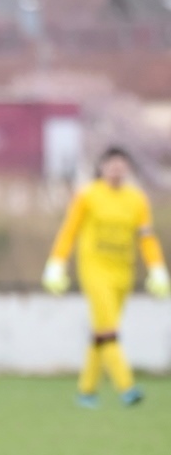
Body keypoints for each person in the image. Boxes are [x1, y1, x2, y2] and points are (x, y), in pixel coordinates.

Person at [42, 146, 169, 407]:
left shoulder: (136, 199)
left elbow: (146, 237)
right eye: (112, 165)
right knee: (109, 330)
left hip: (123, 272)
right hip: (95, 270)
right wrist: (56, 263)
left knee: (102, 331)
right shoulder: (87, 195)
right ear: (102, 167)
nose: (116, 170)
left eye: (121, 165)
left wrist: (157, 268)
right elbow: (69, 230)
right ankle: (127, 386)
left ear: (128, 168)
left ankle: (86, 391)